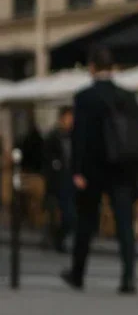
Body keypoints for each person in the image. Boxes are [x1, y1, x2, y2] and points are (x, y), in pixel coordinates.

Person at [61, 46, 138, 294]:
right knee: (124, 224)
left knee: (86, 222)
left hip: (93, 170)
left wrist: (77, 170)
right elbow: (136, 136)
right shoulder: (128, 96)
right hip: (123, 168)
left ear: (92, 67)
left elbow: (79, 137)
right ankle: (128, 277)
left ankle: (78, 273)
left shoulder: (85, 97)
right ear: (113, 67)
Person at [43, 106, 75, 253]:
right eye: (69, 118)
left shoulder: (74, 136)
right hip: (58, 181)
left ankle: (58, 238)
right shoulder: (53, 137)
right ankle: (57, 239)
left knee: (71, 215)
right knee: (63, 214)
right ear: (62, 119)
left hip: (71, 180)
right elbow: (47, 159)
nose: (71, 121)